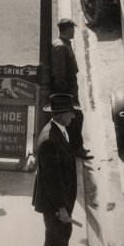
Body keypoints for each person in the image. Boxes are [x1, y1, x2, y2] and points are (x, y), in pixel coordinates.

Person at [33, 93, 81, 246]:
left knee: (62, 236)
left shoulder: (59, 131)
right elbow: (52, 180)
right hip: (55, 204)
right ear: (61, 114)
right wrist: (61, 208)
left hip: (61, 201)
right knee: (55, 241)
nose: (73, 116)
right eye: (70, 113)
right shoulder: (50, 140)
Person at [51, 18, 92, 161]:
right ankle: (76, 148)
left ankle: (75, 147)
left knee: (75, 119)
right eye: (72, 29)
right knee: (77, 118)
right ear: (66, 30)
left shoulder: (65, 44)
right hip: (67, 93)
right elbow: (60, 74)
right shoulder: (60, 47)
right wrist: (65, 95)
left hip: (71, 91)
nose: (74, 31)